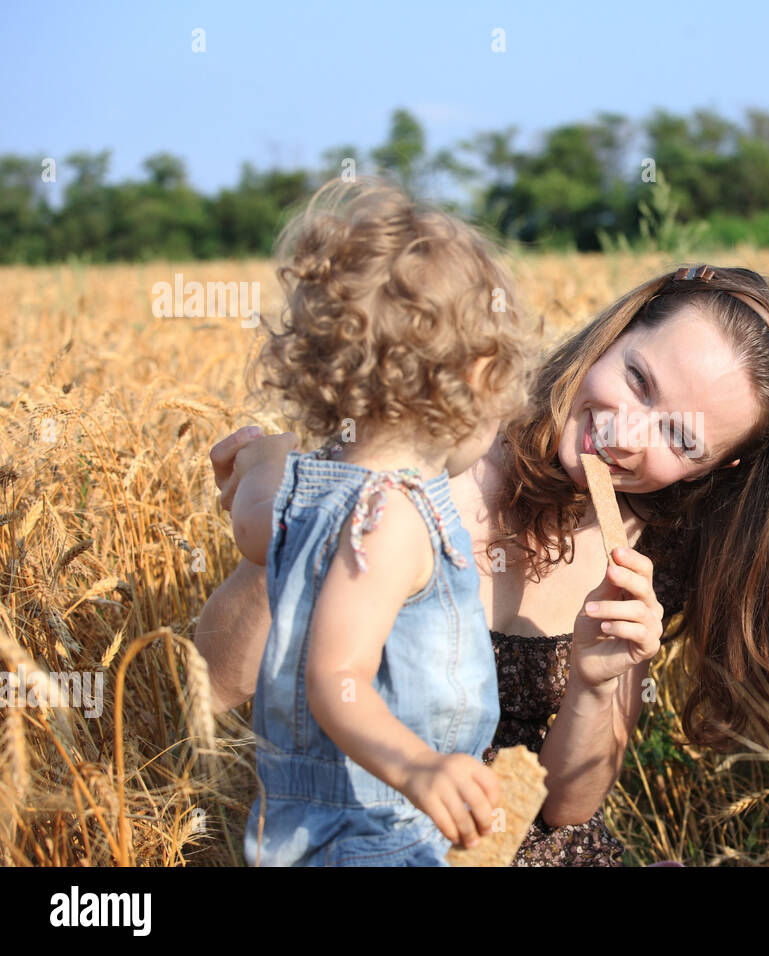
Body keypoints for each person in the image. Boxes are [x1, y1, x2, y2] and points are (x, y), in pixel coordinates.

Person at [201, 262, 769, 866]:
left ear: (716, 467)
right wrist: (312, 514)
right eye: (637, 380)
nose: (625, 434)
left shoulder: (647, 554)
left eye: (680, 438)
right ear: (614, 335)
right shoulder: (439, 435)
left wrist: (598, 680)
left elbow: (567, 808)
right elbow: (214, 684)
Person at [230, 176, 535, 865]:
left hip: (296, 819)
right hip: (378, 825)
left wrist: (255, 460)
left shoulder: (300, 489)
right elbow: (337, 678)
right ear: (477, 378)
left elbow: (252, 524)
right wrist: (419, 768)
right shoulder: (394, 515)